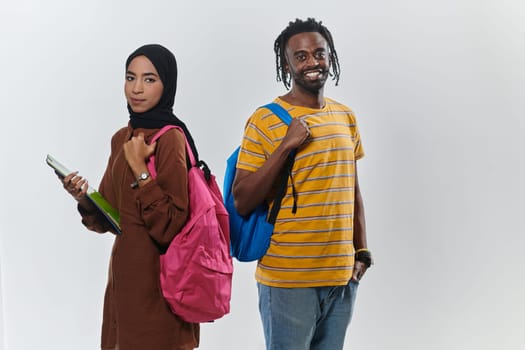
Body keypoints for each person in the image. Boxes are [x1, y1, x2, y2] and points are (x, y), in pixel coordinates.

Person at [232, 18, 373, 350]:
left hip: (341, 279)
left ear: (331, 57)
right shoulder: (264, 120)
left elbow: (351, 188)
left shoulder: (345, 117)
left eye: (319, 54)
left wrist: (362, 251)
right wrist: (286, 145)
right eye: (301, 56)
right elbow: (242, 199)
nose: (313, 63)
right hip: (288, 281)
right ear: (287, 63)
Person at [58, 44, 200, 350]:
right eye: (130, 77)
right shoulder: (121, 138)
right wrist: (83, 198)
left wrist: (141, 170)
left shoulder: (170, 138)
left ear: (167, 85)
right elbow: (112, 218)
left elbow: (170, 226)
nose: (137, 88)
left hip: (160, 289)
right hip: (123, 286)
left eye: (149, 79)